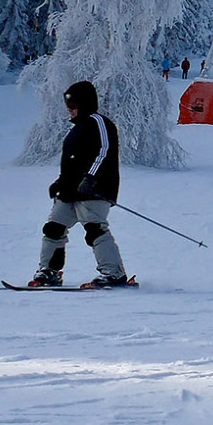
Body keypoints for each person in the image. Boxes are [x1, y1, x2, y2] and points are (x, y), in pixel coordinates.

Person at [30, 80, 130, 287]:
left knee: (94, 229)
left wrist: (90, 179)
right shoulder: (75, 130)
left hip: (95, 189)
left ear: (84, 104)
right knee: (53, 228)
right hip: (71, 192)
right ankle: (49, 271)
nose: (70, 111)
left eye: (74, 107)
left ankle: (114, 273)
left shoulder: (99, 122)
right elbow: (72, 163)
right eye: (68, 107)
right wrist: (60, 183)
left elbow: (104, 152)